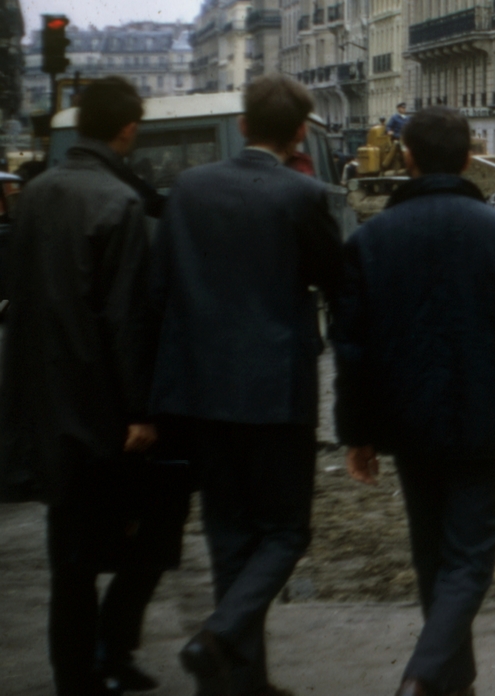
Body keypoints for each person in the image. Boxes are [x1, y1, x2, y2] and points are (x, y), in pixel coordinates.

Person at [334, 108, 495, 696]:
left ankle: (451, 679)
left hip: (407, 418)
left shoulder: (370, 239)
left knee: (432, 552)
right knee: (469, 557)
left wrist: (355, 431)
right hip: (488, 416)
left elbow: (352, 347)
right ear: (469, 157)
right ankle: (425, 676)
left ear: (407, 159)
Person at [148, 74, 343, 696]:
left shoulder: (188, 188)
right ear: (299, 133)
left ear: (241, 126)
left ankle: (238, 683)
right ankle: (219, 636)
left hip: (201, 392)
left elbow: (160, 289)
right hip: (276, 393)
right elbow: (333, 279)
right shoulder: (303, 195)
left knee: (228, 535)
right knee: (285, 531)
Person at [0, 78, 185, 696]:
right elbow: (125, 316)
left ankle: (80, 669)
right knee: (148, 531)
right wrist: (139, 411)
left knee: (69, 558)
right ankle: (98, 661)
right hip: (103, 407)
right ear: (128, 129)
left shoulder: (36, 196)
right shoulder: (119, 202)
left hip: (46, 400)